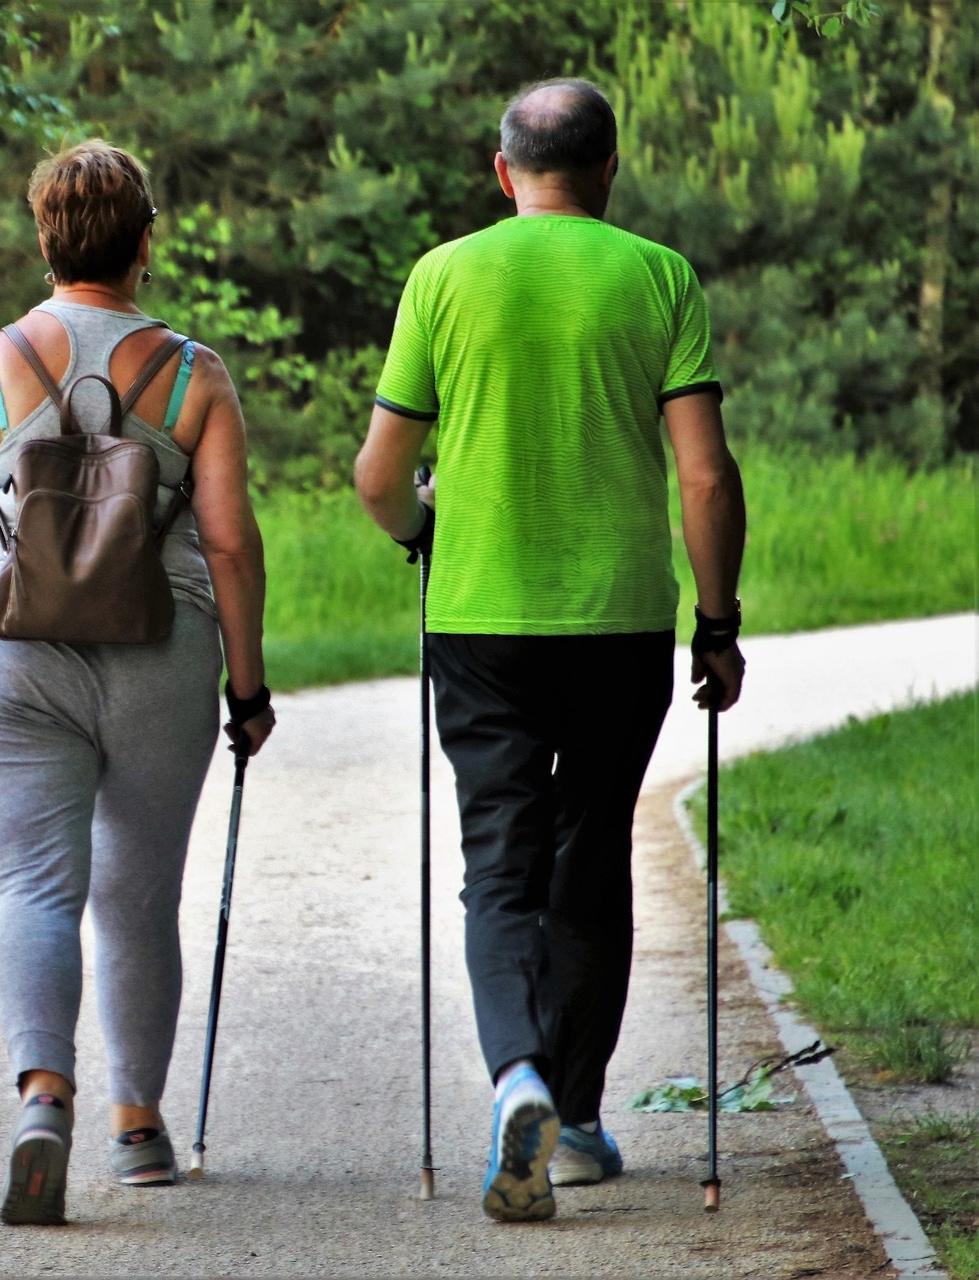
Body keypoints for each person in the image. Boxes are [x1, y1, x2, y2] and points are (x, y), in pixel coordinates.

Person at [356, 79, 748, 1223]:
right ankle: (573, 1121)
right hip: (620, 620)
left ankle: (515, 1073)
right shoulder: (658, 275)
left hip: (478, 619)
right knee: (591, 856)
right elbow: (706, 474)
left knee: (500, 858)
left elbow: (379, 475)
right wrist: (716, 624)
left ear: (501, 171)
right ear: (610, 168)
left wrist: (422, 530)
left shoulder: (443, 276)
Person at [0, 139, 274, 1226]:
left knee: (32, 885)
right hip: (160, 651)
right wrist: (247, 687)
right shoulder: (195, 373)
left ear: (45, 239)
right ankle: (137, 1127)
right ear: (146, 242)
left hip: (9, 652)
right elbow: (228, 545)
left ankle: (42, 1098)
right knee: (135, 895)